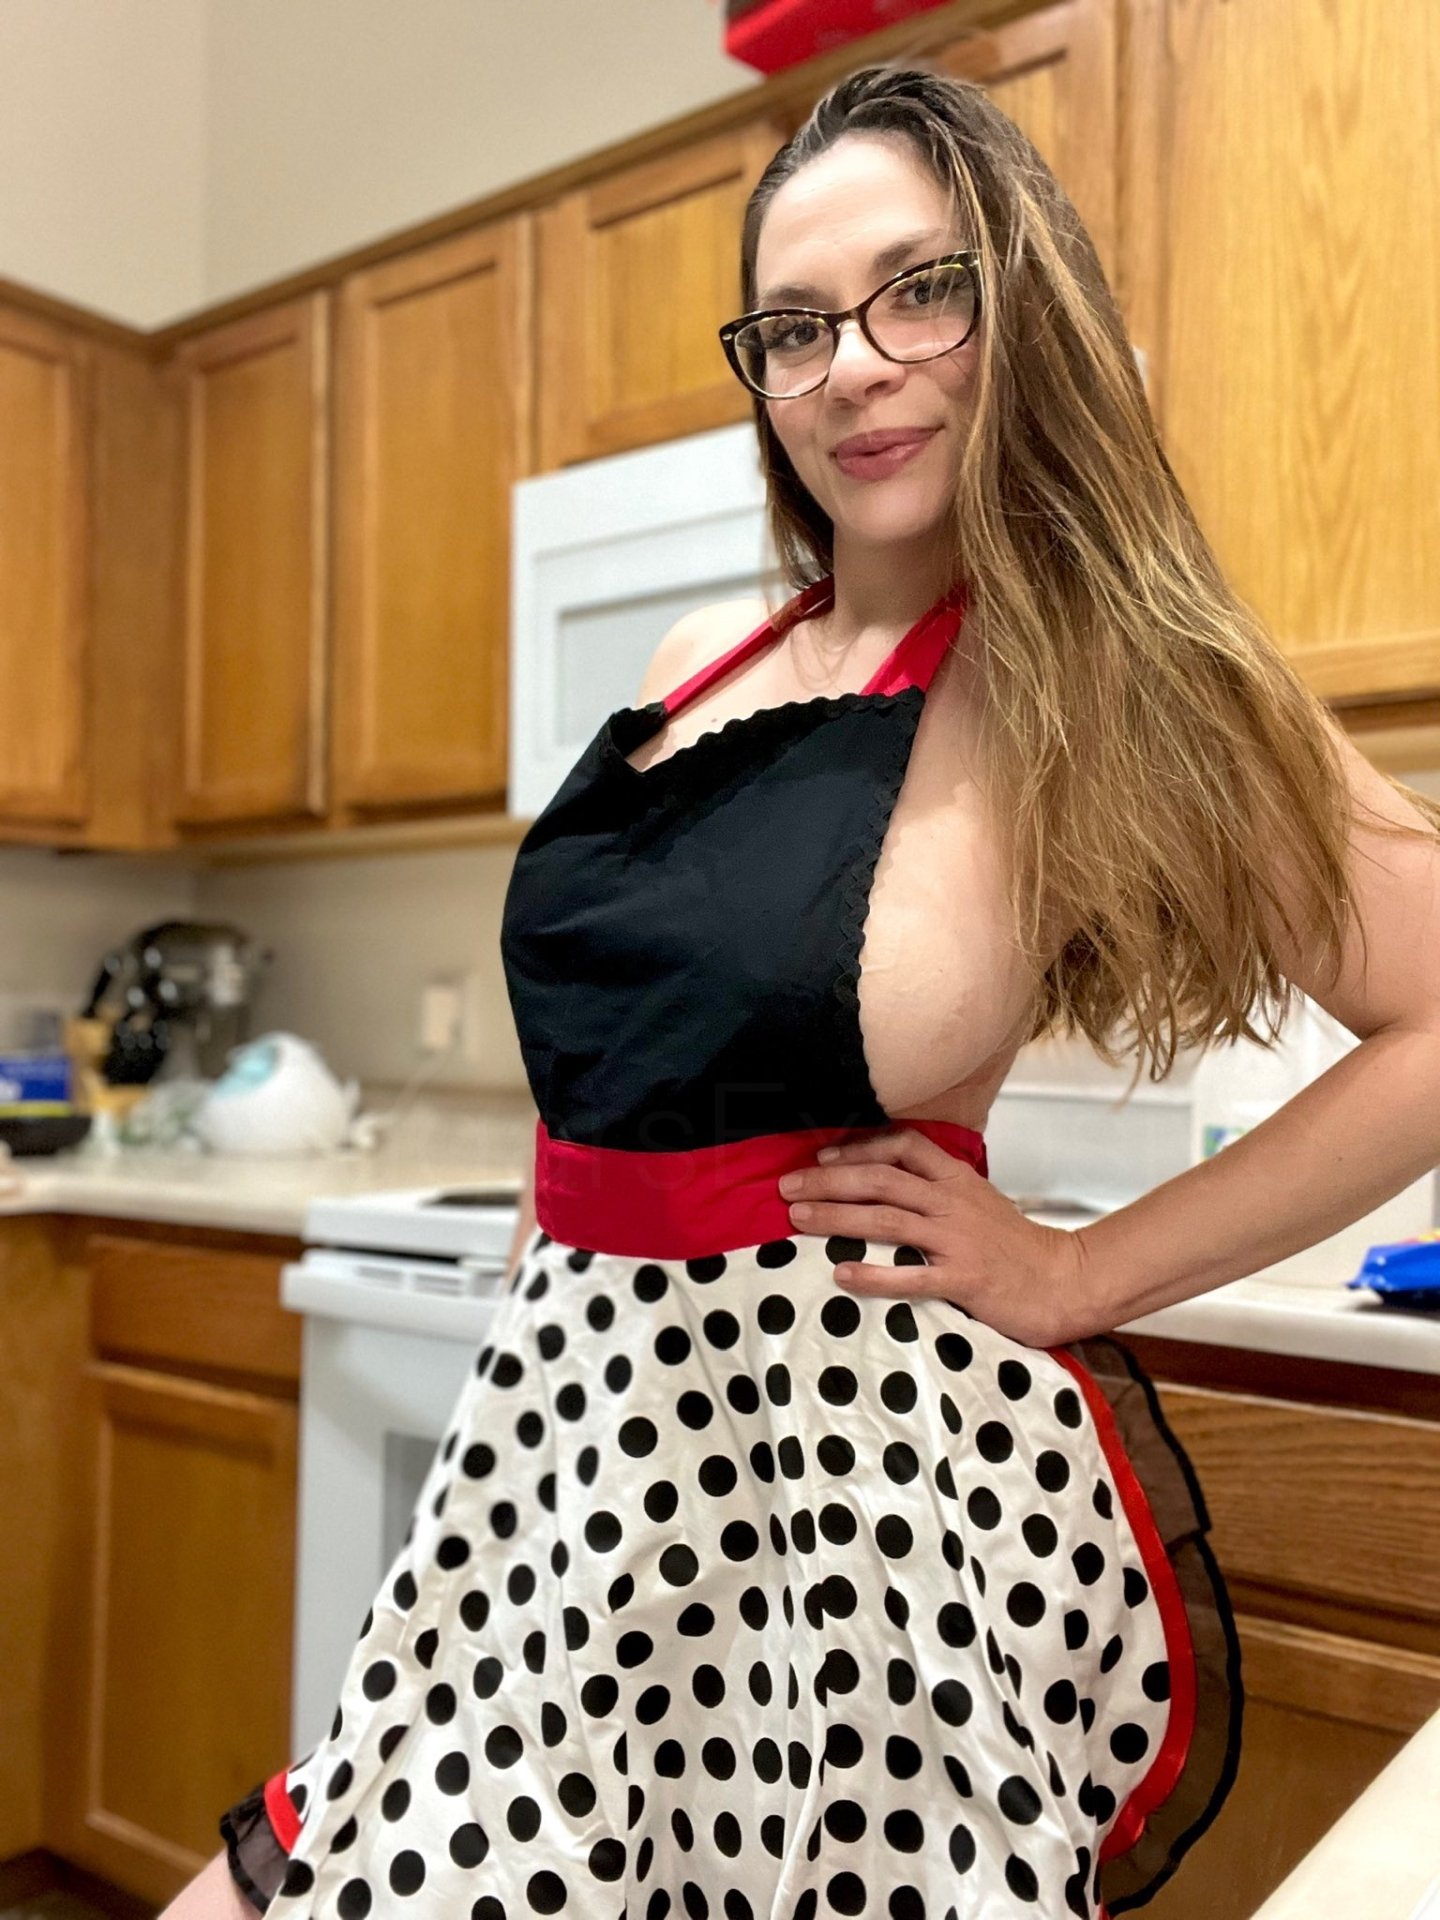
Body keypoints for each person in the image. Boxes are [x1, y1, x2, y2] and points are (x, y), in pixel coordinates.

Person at [165, 60, 1440, 1920]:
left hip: (850, 1522)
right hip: (571, 1462)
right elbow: (619, 1069)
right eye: (795, 326)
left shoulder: (1101, 682)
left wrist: (1084, 1273)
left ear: (1022, 305)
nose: (853, 366)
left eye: (921, 291)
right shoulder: (701, 657)